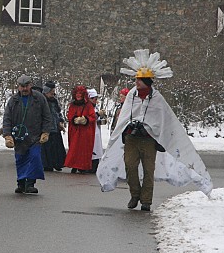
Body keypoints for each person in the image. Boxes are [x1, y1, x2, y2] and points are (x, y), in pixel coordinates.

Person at [97, 49, 213, 211]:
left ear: (147, 82)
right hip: (131, 138)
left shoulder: (157, 99)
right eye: (136, 79)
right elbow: (124, 117)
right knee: (130, 167)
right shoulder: (131, 95)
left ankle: (146, 201)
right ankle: (135, 194)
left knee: (148, 170)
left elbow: (164, 121)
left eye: (140, 79)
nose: (136, 82)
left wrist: (153, 130)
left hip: (149, 140)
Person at [3, 74, 54, 194]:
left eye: (26, 86)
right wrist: (7, 135)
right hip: (19, 136)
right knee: (20, 159)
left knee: (34, 158)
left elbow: (47, 116)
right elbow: (7, 118)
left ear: (30, 85)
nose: (24, 89)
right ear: (18, 86)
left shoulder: (39, 98)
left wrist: (46, 132)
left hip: (35, 136)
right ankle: (21, 183)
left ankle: (30, 183)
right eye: (22, 86)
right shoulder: (13, 100)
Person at [64, 85, 97, 174]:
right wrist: (74, 119)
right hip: (75, 131)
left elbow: (92, 117)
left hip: (85, 131)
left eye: (80, 94)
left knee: (84, 149)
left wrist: (85, 119)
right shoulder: (72, 105)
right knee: (74, 148)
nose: (78, 96)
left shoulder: (88, 105)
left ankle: (82, 166)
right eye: (77, 94)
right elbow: (70, 115)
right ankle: (74, 165)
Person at [41, 81, 66, 172]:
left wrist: (60, 121)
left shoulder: (54, 101)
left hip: (55, 127)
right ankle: (47, 164)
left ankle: (57, 163)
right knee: (47, 148)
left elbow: (58, 113)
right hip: (46, 128)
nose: (53, 93)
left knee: (56, 147)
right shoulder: (42, 101)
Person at [87, 88, 105, 173]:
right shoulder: (87, 107)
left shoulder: (95, 107)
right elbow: (89, 118)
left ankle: (94, 166)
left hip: (96, 130)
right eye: (94, 99)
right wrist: (97, 115)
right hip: (89, 131)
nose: (96, 101)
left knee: (96, 148)